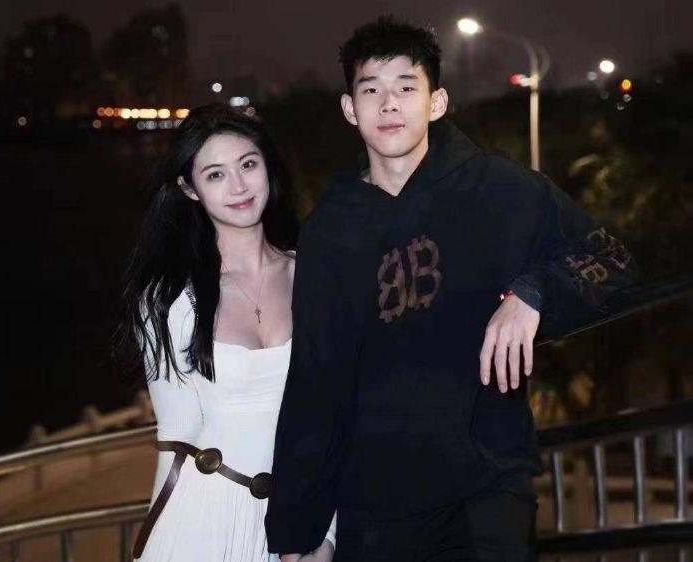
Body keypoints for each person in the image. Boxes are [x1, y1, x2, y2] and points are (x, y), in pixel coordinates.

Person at [266, 17, 637, 561]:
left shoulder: (501, 189)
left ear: (436, 102)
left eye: (406, 87)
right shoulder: (330, 231)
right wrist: (298, 530)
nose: (388, 105)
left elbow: (614, 259)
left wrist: (532, 293)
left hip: (488, 486)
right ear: (350, 108)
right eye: (371, 90)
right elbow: (316, 382)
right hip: (377, 502)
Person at [120, 104, 335, 562]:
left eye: (248, 165)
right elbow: (175, 435)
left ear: (267, 168)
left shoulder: (315, 276)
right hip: (204, 521)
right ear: (189, 188)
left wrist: (328, 531)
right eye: (215, 174)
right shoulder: (170, 300)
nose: (238, 186)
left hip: (299, 519)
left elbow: (337, 418)